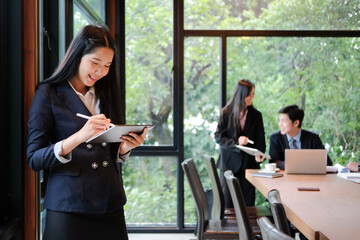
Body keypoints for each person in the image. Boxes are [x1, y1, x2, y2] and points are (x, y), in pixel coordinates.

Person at [27, 25, 147, 240]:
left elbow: (107, 151)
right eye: (95, 63)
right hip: (68, 206)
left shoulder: (106, 93)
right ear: (76, 56)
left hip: (110, 204)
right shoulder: (49, 93)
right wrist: (80, 136)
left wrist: (124, 148)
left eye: (107, 65)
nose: (100, 71)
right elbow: (34, 159)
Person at [215, 79, 266, 207]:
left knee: (247, 206)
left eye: (253, 93)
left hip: (249, 167)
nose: (252, 97)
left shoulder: (256, 115)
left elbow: (261, 142)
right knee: (228, 206)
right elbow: (218, 137)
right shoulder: (226, 113)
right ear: (242, 95)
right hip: (228, 165)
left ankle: (245, 228)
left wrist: (259, 154)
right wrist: (236, 143)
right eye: (251, 94)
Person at [268, 104, 332, 169]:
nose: (280, 124)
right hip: (285, 177)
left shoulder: (313, 138)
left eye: (283, 121)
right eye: (280, 120)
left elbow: (327, 162)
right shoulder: (275, 138)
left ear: (296, 123)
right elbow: (273, 162)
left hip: (309, 177)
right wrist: (295, 165)